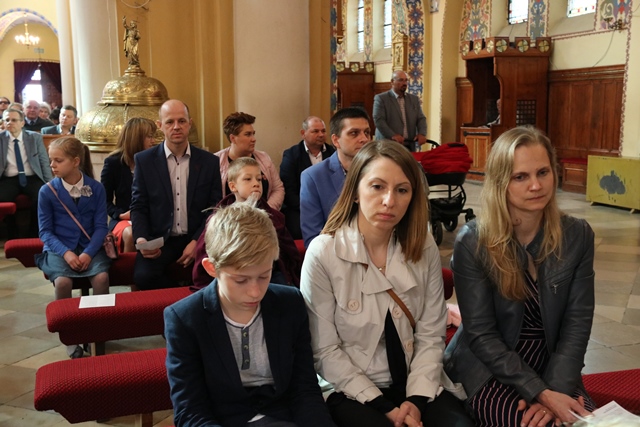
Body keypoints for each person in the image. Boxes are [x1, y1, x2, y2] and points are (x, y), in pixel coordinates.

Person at [301, 140, 473, 427]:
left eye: (402, 190)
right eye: (377, 186)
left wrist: (416, 400)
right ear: (355, 192)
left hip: (416, 378)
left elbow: (431, 333)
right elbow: (324, 350)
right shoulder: (323, 253)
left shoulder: (423, 245)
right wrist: (384, 407)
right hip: (351, 386)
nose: (389, 201)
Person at [444, 126, 596, 427]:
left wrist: (557, 390)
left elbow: (577, 324)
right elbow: (482, 335)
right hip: (490, 369)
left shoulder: (577, 234)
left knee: (583, 423)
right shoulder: (473, 241)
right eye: (520, 177)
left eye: (543, 172)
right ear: (501, 182)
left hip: (554, 364)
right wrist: (541, 394)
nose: (536, 185)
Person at [165, 202, 337, 427]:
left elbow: (304, 390)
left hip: (284, 416)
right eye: (241, 280)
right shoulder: (185, 319)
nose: (255, 292)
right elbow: (191, 411)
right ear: (211, 268)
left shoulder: (290, 303)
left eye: (264, 276)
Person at [131, 99, 222, 290]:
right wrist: (141, 239)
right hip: (160, 239)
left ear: (190, 123)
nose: (176, 127)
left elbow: (214, 208)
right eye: (169, 122)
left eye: (181, 121)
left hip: (197, 236)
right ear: (160, 125)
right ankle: (180, 298)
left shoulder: (209, 162)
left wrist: (197, 241)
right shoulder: (144, 161)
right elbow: (139, 205)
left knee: (216, 275)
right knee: (143, 276)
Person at [35, 136, 110, 359]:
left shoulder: (95, 188)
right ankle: (70, 336)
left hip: (90, 245)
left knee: (101, 279)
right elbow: (45, 232)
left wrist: (88, 252)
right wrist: (66, 253)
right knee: (63, 282)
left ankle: (99, 330)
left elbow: (101, 227)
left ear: (76, 161)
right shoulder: (47, 191)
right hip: (60, 248)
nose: (52, 165)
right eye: (51, 160)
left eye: (58, 160)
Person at [192, 157, 302, 289]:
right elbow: (206, 250)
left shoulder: (274, 216)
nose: (256, 184)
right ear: (233, 186)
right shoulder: (220, 219)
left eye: (259, 179)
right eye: (248, 179)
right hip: (236, 271)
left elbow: (289, 252)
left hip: (269, 272)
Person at [300, 107, 370, 247]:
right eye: (354, 133)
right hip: (335, 254)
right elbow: (313, 239)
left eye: (367, 132)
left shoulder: (379, 171)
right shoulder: (313, 177)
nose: (364, 139)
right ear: (336, 140)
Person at [101, 117, 156, 253]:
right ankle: (128, 266)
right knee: (131, 234)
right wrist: (120, 215)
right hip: (123, 219)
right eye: (149, 137)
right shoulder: (113, 163)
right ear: (136, 138)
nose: (153, 141)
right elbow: (104, 200)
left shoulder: (154, 161)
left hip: (150, 217)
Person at [280, 116, 335, 240]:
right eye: (315, 131)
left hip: (330, 207)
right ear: (303, 133)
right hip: (300, 207)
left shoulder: (333, 153)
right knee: (298, 230)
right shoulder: (291, 155)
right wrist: (311, 207)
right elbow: (288, 190)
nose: (321, 135)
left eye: (323, 131)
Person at [216, 112, 285, 211]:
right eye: (248, 134)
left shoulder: (264, 158)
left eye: (253, 134)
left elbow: (277, 189)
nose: (253, 139)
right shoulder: (216, 161)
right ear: (233, 138)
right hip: (230, 217)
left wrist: (266, 211)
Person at [0, 108, 52, 237]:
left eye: (14, 120)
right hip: (9, 178)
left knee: (40, 197)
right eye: (7, 120)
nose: (9, 123)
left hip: (32, 177)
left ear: (22, 123)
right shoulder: (1, 139)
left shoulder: (34, 137)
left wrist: (50, 183)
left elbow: (43, 161)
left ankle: (34, 234)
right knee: (3, 198)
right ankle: (12, 234)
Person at [373, 70, 427, 151]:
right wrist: (392, 135)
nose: (404, 83)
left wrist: (422, 133)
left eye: (406, 80)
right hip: (388, 145)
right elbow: (379, 120)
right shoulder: (381, 99)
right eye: (401, 80)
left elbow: (421, 118)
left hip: (408, 145)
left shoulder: (414, 99)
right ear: (392, 82)